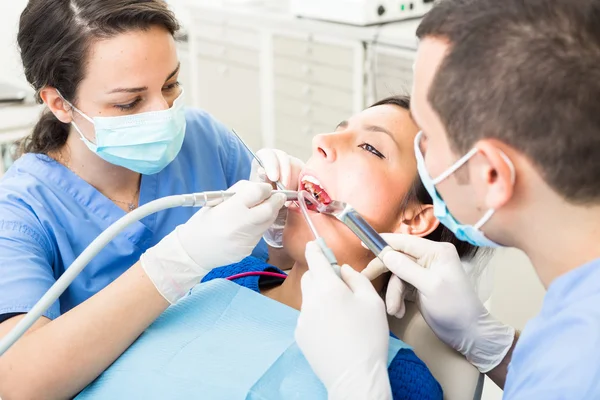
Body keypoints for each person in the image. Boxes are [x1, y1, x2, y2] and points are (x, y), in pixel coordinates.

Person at [72, 96, 486, 399]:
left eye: (370, 147)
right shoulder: (219, 277)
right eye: (338, 129)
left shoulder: (394, 378)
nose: (321, 141)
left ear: (415, 219)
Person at [295, 0, 600, 398]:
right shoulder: (570, 330)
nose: (321, 142)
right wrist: (494, 346)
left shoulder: (575, 369)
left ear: (490, 174)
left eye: (430, 138)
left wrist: (357, 385)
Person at [0, 1, 286, 399]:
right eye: (129, 103)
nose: (164, 112)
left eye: (170, 85)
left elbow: (284, 268)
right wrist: (177, 263)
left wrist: (287, 216)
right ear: (59, 103)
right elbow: (16, 382)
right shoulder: (20, 211)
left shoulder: (203, 139)